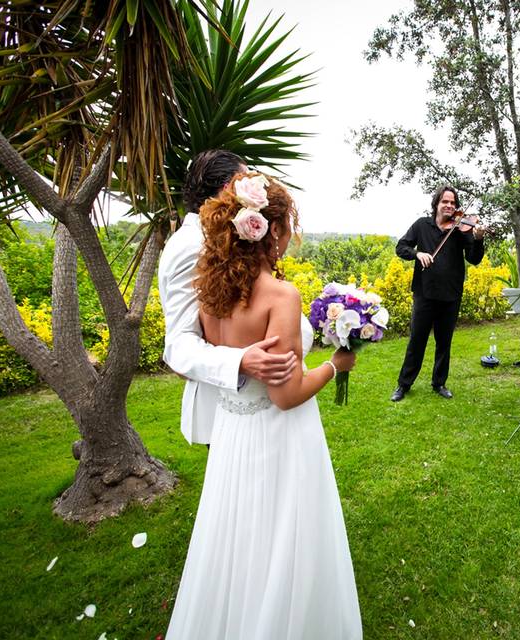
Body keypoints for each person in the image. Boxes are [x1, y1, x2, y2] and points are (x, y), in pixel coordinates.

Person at [166, 172, 362, 639]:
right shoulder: (281, 295)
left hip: (233, 432)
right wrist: (337, 365)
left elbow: (203, 351)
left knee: (236, 537)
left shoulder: (210, 291)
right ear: (271, 230)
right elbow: (287, 394)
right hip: (279, 436)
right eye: (289, 227)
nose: (290, 237)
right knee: (284, 537)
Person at [158, 150, 297, 445]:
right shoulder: (194, 245)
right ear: (227, 189)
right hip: (229, 410)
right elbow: (179, 343)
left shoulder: (217, 240)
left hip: (253, 410)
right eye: (243, 180)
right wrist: (241, 360)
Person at [390, 185, 486, 401]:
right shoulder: (422, 225)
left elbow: (474, 258)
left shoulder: (462, 229)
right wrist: (418, 253)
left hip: (451, 295)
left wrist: (478, 239)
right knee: (417, 341)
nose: (449, 206)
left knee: (444, 342)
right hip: (424, 293)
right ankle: (403, 384)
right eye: (445, 202)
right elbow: (401, 247)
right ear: (436, 204)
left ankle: (439, 383)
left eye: (453, 203)